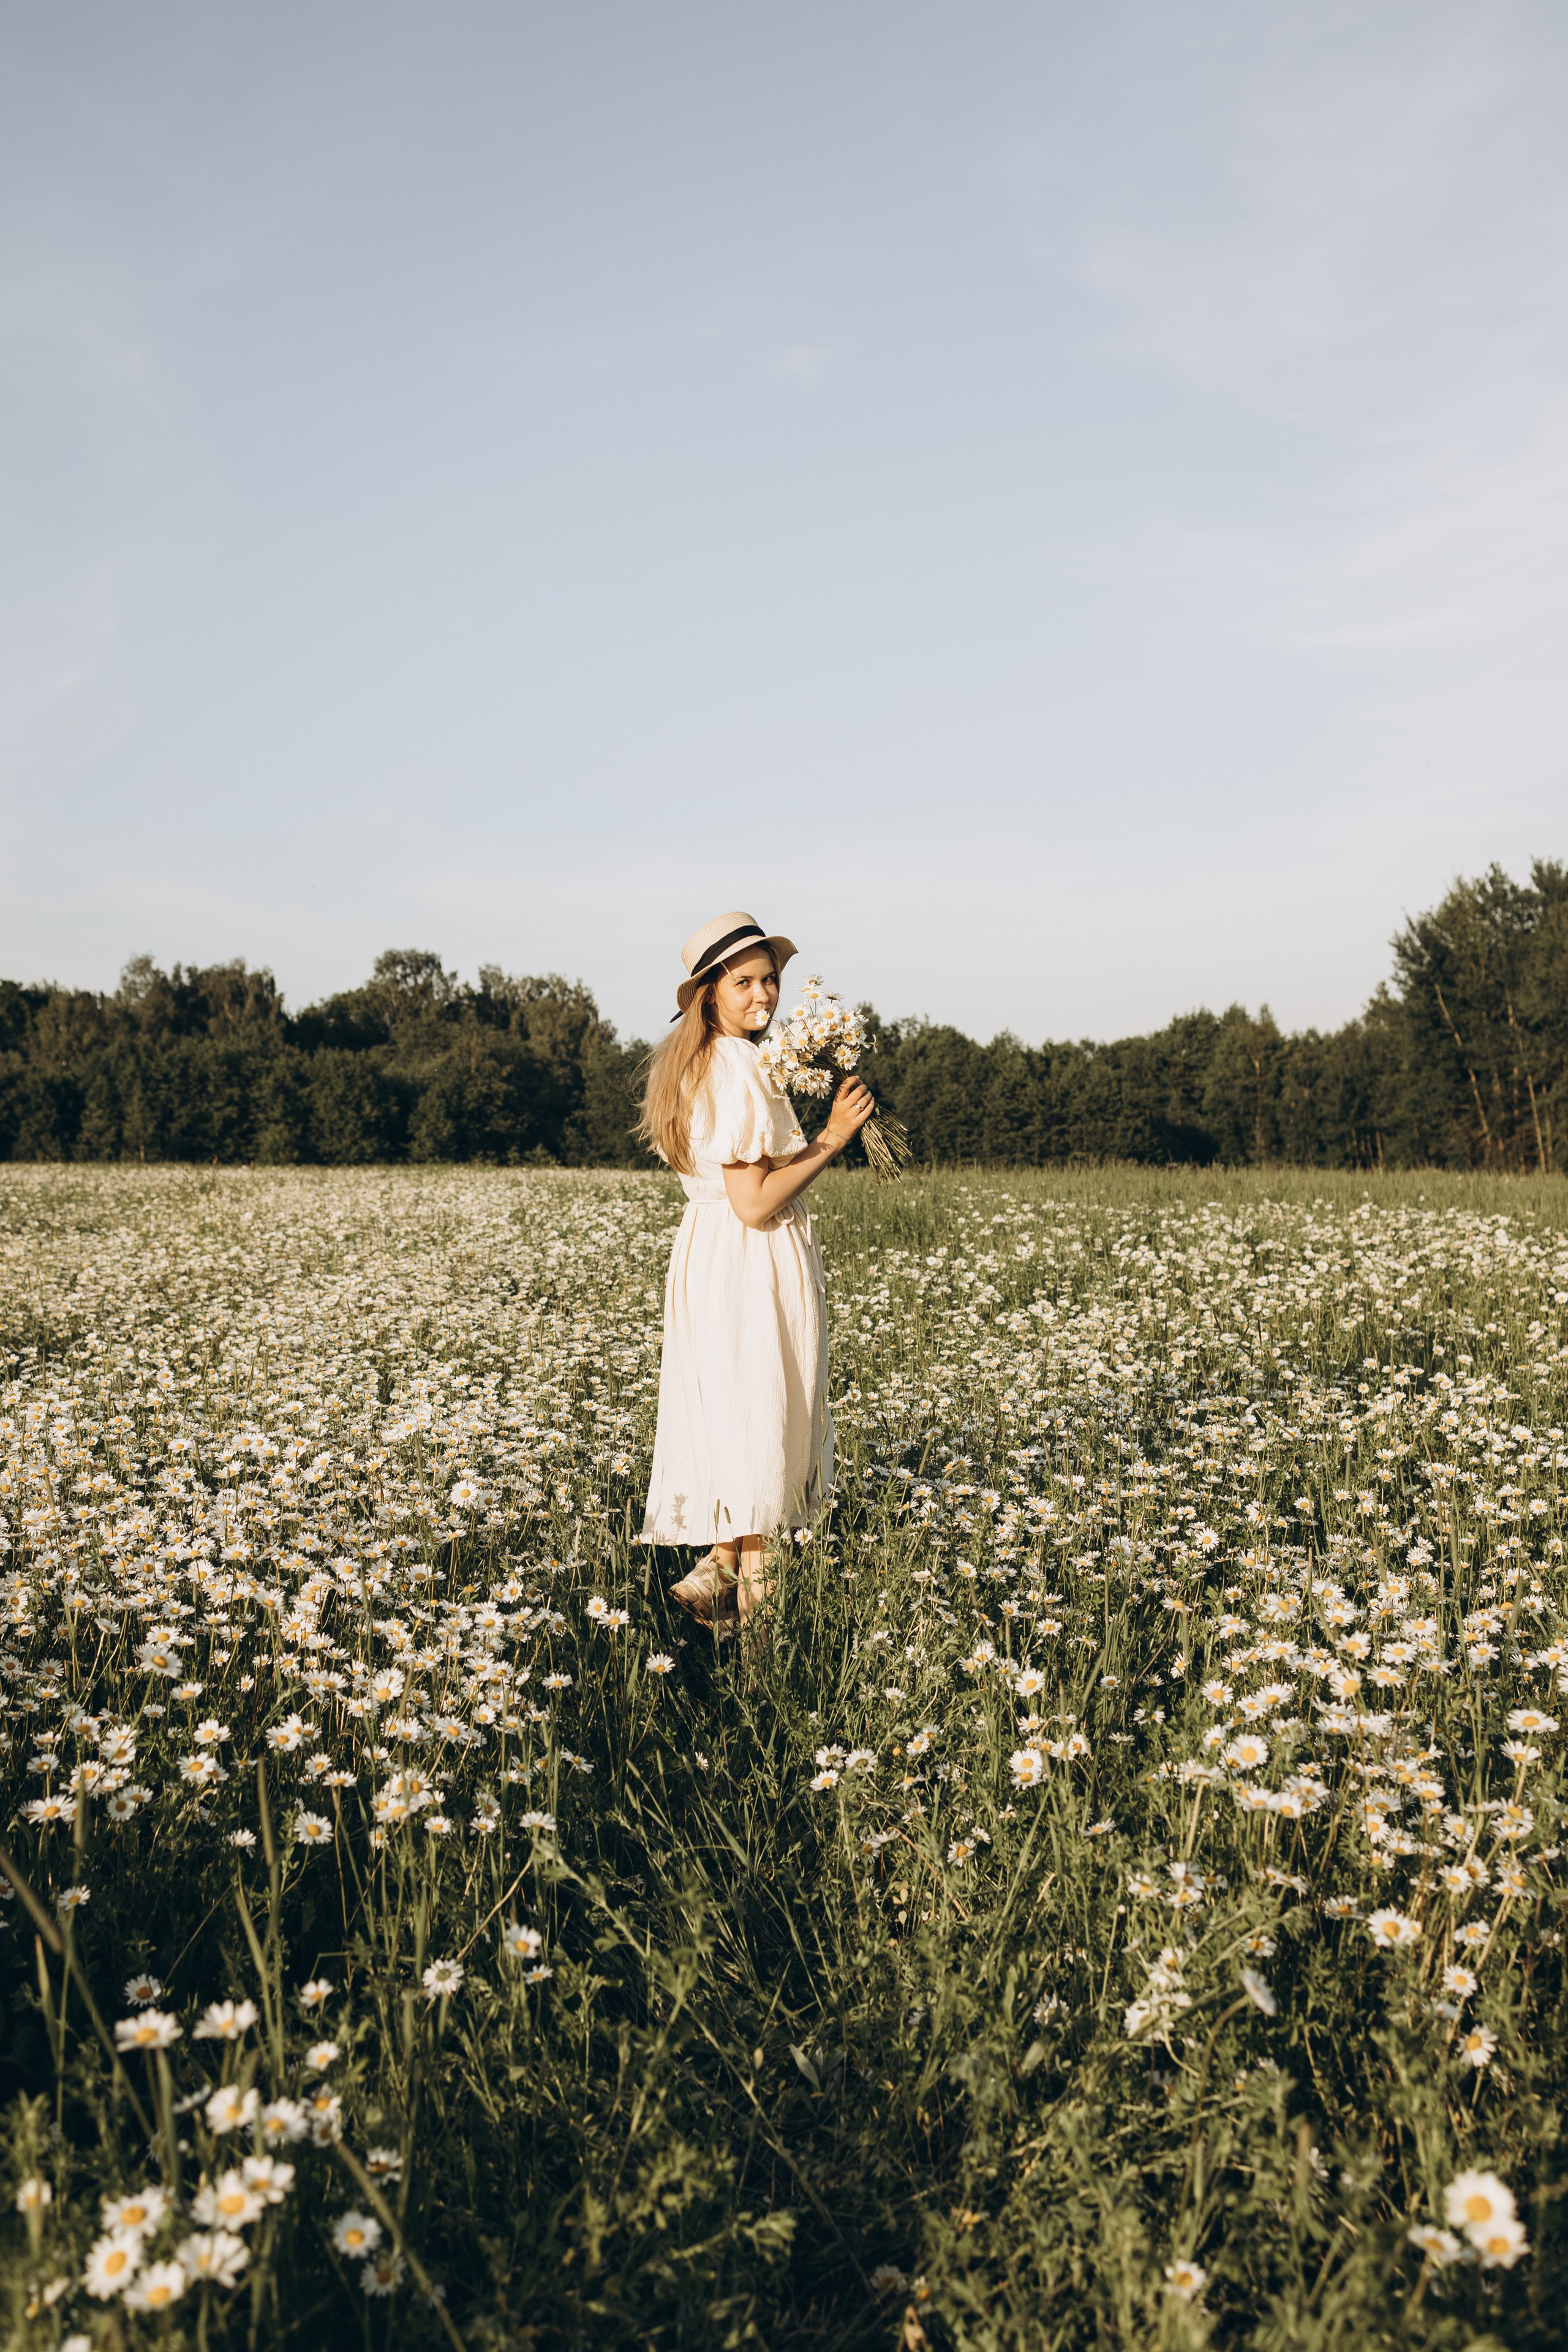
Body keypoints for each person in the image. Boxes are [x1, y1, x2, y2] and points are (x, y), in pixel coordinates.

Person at [638, 911, 875, 1630]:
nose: (763, 997)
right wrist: (834, 1136)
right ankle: (762, 1667)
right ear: (709, 992)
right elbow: (754, 1201)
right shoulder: (737, 1067)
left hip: (712, 1261)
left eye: (769, 980)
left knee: (740, 1422)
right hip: (747, 1263)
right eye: (742, 983)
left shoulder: (702, 1060)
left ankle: (716, 1570)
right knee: (764, 1433)